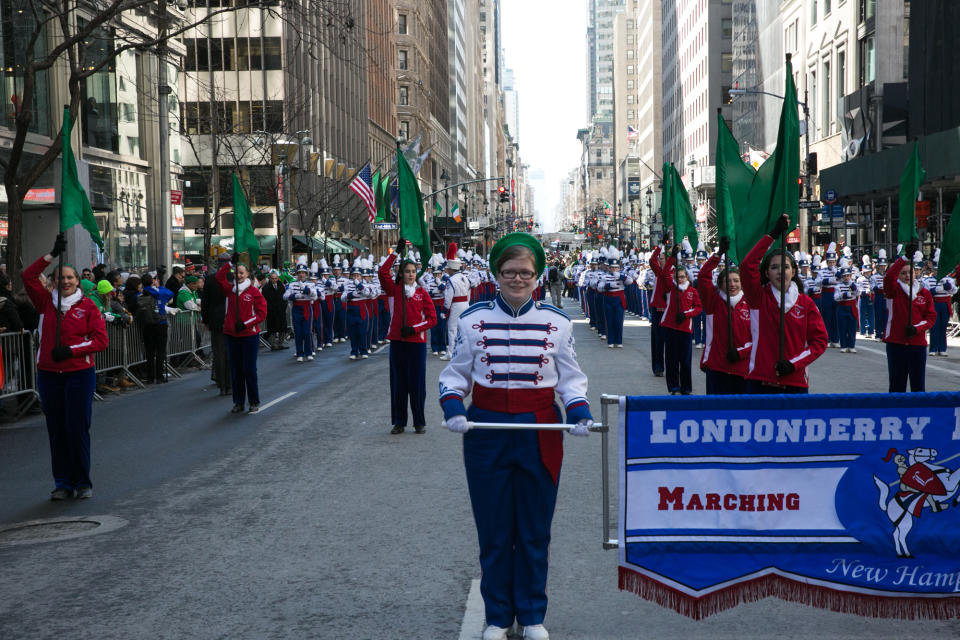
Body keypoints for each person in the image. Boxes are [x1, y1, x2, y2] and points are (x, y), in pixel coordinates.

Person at [439, 232, 593, 640]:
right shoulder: (473, 320)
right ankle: (497, 617)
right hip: (486, 430)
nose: (517, 279)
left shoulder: (557, 322)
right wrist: (454, 405)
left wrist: (578, 409)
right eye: (509, 272)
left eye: (525, 272)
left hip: (541, 430)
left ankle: (531, 615)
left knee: (534, 528)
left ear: (538, 275)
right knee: (493, 529)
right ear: (496, 274)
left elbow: (571, 379)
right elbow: (454, 376)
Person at [23, 234, 108, 500]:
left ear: (77, 281)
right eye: (61, 278)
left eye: (70, 278)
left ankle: (83, 481)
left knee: (77, 427)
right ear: (54, 282)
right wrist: (50, 254)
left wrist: (71, 350)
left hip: (78, 375)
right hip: (49, 375)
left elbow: (100, 341)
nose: (66, 282)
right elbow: (27, 276)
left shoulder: (88, 306)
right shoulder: (45, 302)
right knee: (56, 429)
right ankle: (62, 483)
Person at [741, 214, 828, 394]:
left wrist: (793, 364)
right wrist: (772, 236)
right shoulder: (758, 298)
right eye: (774, 268)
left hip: (795, 383)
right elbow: (747, 265)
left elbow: (819, 342)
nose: (780, 271)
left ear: (794, 271)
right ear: (767, 273)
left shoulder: (806, 303)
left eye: (785, 267)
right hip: (760, 381)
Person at [379, 239, 437, 435]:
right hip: (397, 342)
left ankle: (419, 421)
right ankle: (399, 422)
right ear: (401, 274)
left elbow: (432, 319)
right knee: (399, 383)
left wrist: (414, 329)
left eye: (413, 272)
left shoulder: (422, 293)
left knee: (417, 384)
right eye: (407, 271)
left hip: (416, 344)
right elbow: (382, 273)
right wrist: (396, 253)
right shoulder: (394, 290)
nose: (411, 274)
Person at [697, 238, 751, 394]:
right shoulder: (713, 302)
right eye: (728, 281)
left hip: (744, 369)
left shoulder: (750, 303)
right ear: (720, 284)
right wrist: (718, 254)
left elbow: (758, 338)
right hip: (717, 368)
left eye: (736, 281)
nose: (732, 284)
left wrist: (740, 352)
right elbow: (703, 277)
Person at [216, 254, 267, 413]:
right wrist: (230, 263)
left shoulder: (254, 292)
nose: (238, 276)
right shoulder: (230, 290)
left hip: (249, 336)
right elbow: (219, 278)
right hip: (232, 335)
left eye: (241, 273)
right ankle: (238, 402)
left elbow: (261, 314)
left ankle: (253, 401)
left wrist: (245, 324)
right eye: (236, 273)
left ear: (247, 275)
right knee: (236, 370)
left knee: (249, 369)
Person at [883, 246, 937, 392]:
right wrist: (904, 259)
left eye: (910, 272)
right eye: (903, 273)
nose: (907, 276)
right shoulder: (893, 291)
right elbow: (889, 277)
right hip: (896, 344)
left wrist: (916, 328)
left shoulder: (924, 293)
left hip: (917, 345)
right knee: (896, 387)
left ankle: (918, 414)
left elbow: (931, 317)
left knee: (918, 387)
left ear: (916, 273)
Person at [659, 244, 703, 395]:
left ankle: (686, 388)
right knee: (671, 360)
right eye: (678, 277)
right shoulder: (671, 287)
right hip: (670, 327)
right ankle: (673, 387)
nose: (680, 279)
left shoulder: (692, 291)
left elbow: (698, 308)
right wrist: (672, 257)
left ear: (687, 277)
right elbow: (664, 273)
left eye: (683, 277)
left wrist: (686, 314)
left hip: (685, 328)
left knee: (685, 361)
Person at [201, 254, 231, 396]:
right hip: (229, 319)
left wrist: (206, 320)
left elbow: (205, 302)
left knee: (219, 353)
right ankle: (229, 383)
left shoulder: (211, 279)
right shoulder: (232, 278)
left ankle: (222, 383)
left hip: (216, 321)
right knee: (229, 353)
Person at [439, 243, 470, 361]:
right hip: (465, 304)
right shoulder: (465, 278)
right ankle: (464, 351)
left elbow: (448, 298)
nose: (447, 270)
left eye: (448, 268)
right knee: (463, 328)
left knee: (452, 329)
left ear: (451, 269)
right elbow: (468, 293)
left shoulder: (451, 280)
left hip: (456, 305)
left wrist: (445, 311)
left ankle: (451, 353)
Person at [284, 264, 317, 361]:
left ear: (306, 274)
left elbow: (314, 297)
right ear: (297, 274)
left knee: (307, 332)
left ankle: (309, 352)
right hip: (296, 309)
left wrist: (309, 291)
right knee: (298, 332)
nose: (301, 275)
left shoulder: (311, 284)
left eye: (303, 273)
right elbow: (285, 296)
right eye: (300, 273)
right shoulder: (292, 284)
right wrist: (293, 296)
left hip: (307, 308)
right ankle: (299, 353)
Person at [834, 266, 861, 353]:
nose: (846, 278)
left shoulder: (854, 284)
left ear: (850, 276)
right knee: (842, 327)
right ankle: (843, 345)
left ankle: (851, 345)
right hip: (842, 307)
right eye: (844, 276)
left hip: (851, 307)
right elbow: (836, 298)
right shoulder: (838, 286)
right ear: (841, 277)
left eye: (848, 275)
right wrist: (844, 295)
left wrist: (855, 289)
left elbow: (858, 293)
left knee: (852, 327)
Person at [260, 270, 289, 351]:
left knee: (282, 327)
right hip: (271, 311)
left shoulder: (281, 286)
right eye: (272, 278)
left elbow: (284, 297)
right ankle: (273, 344)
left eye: (276, 278)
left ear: (278, 278)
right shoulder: (266, 288)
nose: (274, 280)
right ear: (269, 278)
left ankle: (281, 343)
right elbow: (264, 300)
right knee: (272, 328)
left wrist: (283, 307)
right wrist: (270, 308)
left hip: (281, 310)